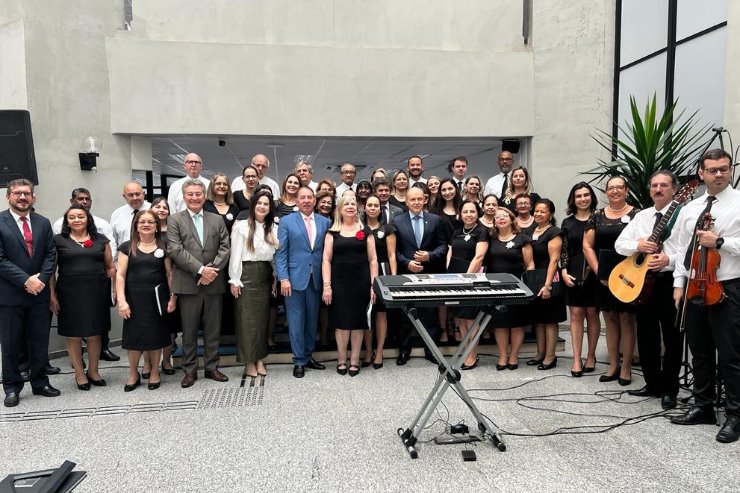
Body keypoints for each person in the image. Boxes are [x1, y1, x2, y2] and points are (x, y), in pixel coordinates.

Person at [670, 149, 740, 443]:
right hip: (694, 286)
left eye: (724, 169)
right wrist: (678, 283)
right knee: (699, 350)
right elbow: (680, 248)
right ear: (701, 173)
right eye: (712, 170)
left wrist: (720, 241)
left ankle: (736, 414)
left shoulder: (738, 202)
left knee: (730, 353)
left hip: (728, 285)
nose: (719, 174)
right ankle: (704, 407)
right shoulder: (691, 207)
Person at [614, 171, 683, 408]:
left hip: (670, 281)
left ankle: (670, 390)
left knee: (672, 337)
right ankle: (652, 383)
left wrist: (669, 260)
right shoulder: (642, 216)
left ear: (674, 189)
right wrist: (638, 245)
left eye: (664, 185)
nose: (658, 189)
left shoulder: (682, 215)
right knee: (646, 334)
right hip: (643, 283)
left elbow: (688, 251)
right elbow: (619, 245)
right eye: (654, 185)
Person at [1, 179, 59, 407]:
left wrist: (41, 280)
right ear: (8, 197)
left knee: (39, 341)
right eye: (17, 193)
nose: (23, 197)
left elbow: (50, 255)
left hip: (39, 294)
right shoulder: (0, 221)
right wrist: (26, 280)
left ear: (33, 197)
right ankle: (12, 387)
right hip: (9, 295)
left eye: (27, 193)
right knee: (11, 344)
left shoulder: (43, 223)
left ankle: (40, 382)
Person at [167, 179, 231, 388]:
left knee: (213, 329)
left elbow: (225, 247)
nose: (194, 198)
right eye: (190, 194)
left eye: (198, 194)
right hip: (188, 283)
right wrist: (201, 270)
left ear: (204, 196)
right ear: (184, 197)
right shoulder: (174, 220)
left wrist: (211, 271)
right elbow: (176, 250)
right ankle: (189, 370)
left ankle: (212, 367)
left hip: (213, 283)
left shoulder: (216, 219)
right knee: (190, 330)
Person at [50, 205, 115, 391]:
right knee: (74, 334)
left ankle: (93, 371)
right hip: (69, 293)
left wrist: (116, 290)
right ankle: (79, 372)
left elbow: (110, 267)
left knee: (95, 333)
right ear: (66, 221)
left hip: (97, 292)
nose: (76, 220)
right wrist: (52, 295)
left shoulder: (101, 240)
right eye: (72, 217)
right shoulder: (58, 241)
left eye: (80, 216)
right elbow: (51, 271)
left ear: (88, 219)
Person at [583, 176, 639, 386]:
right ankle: (613, 364)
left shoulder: (637, 214)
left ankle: (626, 367)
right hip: (604, 274)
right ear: (606, 192)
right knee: (610, 319)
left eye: (619, 188)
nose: (615, 191)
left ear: (626, 190)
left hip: (629, 274)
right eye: (611, 188)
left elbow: (643, 243)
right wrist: (599, 272)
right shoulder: (597, 216)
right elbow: (588, 245)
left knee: (626, 318)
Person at [116, 210, 176, 391]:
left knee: (155, 336)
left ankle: (155, 372)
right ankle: (133, 373)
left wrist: (173, 297)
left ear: (157, 225)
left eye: (151, 222)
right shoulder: (127, 247)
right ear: (136, 225)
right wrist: (121, 301)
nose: (146, 225)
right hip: (134, 299)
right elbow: (120, 275)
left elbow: (170, 273)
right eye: (142, 221)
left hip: (157, 299)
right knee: (133, 338)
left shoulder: (163, 246)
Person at [275, 186, 331, 378]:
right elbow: (280, 253)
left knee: (311, 322)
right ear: (296, 201)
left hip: (316, 279)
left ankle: (308, 356)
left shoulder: (326, 222)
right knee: (296, 322)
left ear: (314, 200)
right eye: (302, 198)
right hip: (293, 280)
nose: (306, 200)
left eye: (309, 197)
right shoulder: (286, 222)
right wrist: (283, 278)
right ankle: (298, 360)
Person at [322, 195, 378, 377]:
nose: (350, 206)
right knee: (341, 323)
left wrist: (373, 285)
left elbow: (373, 260)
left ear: (358, 209)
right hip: (339, 284)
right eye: (346, 204)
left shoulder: (366, 231)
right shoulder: (332, 232)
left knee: (358, 323)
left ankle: (354, 360)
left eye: (353, 204)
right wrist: (327, 285)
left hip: (361, 284)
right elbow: (326, 259)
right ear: (339, 209)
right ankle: (341, 360)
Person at [392, 187, 449, 365]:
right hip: (406, 274)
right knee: (405, 315)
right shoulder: (397, 220)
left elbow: (443, 246)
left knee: (429, 314)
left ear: (424, 200)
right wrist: (407, 263)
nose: (416, 202)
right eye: (412, 200)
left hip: (428, 274)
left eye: (419, 199)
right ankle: (404, 350)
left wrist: (429, 256)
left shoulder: (435, 220)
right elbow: (395, 250)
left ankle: (431, 351)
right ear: (407, 202)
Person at [229, 191, 279, 378]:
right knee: (247, 321)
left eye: (266, 204)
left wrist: (274, 276)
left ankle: (260, 359)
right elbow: (235, 254)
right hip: (246, 274)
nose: (262, 207)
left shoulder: (272, 227)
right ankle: (249, 361)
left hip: (265, 274)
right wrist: (235, 279)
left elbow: (273, 256)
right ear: (253, 205)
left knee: (262, 321)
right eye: (259, 203)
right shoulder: (242, 226)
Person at [485, 207, 534, 370]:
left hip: (518, 286)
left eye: (504, 215)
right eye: (497, 217)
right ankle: (502, 355)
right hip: (496, 288)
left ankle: (514, 356)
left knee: (516, 323)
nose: (501, 218)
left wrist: (530, 285)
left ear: (512, 219)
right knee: (500, 323)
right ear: (494, 222)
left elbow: (530, 265)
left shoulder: (523, 239)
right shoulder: (491, 239)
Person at [560, 182, 600, 376]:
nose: (583, 199)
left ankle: (591, 355)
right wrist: (564, 271)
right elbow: (564, 250)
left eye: (586, 195)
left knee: (592, 314)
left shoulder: (600, 218)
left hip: (595, 270)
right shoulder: (567, 222)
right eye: (578, 196)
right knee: (576, 314)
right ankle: (576, 359)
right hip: (574, 269)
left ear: (591, 197)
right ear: (573, 200)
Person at [446, 200, 489, 369]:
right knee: (460, 318)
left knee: (471, 319)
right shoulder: (457, 232)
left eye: (472, 211)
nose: (469, 214)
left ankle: (473, 355)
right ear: (460, 214)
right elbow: (450, 252)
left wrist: (466, 277)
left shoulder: (481, 231)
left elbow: (479, 257)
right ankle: (464, 351)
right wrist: (450, 274)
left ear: (477, 213)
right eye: (465, 211)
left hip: (471, 280)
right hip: (454, 277)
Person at [527, 199, 567, 370]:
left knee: (550, 320)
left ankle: (550, 356)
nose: (538, 214)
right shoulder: (531, 231)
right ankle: (540, 353)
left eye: (542, 211)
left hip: (550, 279)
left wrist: (548, 285)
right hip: (535, 280)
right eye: (536, 211)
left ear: (550, 214)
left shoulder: (554, 232)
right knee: (539, 319)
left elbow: (554, 260)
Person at [361, 195, 397, 369]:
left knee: (381, 313)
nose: (373, 208)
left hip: (383, 272)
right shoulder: (360, 228)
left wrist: (393, 278)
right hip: (364, 273)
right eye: (370, 205)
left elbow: (391, 255)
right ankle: (368, 351)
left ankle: (380, 351)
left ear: (380, 209)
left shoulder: (388, 228)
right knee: (367, 313)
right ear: (365, 208)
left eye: (376, 205)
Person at [147, 197, 178, 376]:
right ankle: (148, 364)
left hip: (171, 279)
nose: (161, 210)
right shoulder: (145, 228)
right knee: (148, 323)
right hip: (149, 281)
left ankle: (167, 360)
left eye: (165, 207)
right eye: (157, 206)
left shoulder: (173, 229)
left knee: (169, 323)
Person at [110, 181, 151, 248]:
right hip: (124, 255)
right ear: (124, 196)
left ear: (143, 194)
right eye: (130, 195)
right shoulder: (117, 214)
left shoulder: (153, 210)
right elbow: (113, 241)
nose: (135, 198)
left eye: (137, 194)